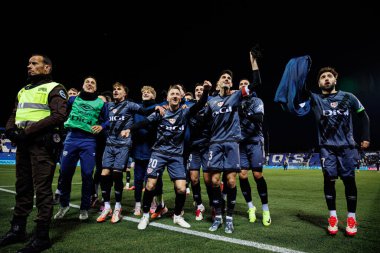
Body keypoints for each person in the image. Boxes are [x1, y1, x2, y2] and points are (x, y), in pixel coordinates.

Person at [275, 57, 370, 236]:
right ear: (319, 83)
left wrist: (365, 137)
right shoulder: (315, 99)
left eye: (329, 76)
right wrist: (300, 69)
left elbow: (363, 116)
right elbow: (300, 88)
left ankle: (351, 217)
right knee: (329, 180)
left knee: (350, 181)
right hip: (326, 147)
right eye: (322, 77)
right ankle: (332, 217)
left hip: (347, 147)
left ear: (335, 79)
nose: (326, 78)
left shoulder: (348, 97)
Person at [0, 54, 68, 252]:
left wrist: (26, 132)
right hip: (23, 145)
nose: (29, 66)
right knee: (22, 187)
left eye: (34, 63)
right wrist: (11, 130)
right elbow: (14, 113)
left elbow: (59, 115)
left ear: (47, 68)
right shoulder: (23, 90)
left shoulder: (55, 88)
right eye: (28, 63)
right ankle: (17, 229)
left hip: (41, 146)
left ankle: (42, 236)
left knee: (42, 190)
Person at [123, 82, 211, 230]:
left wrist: (206, 91)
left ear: (180, 97)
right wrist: (129, 130)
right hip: (159, 153)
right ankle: (145, 216)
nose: (175, 96)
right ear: (168, 98)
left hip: (176, 155)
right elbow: (144, 122)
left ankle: (177, 216)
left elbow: (200, 104)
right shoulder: (160, 112)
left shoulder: (185, 112)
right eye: (172, 94)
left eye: (177, 94)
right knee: (150, 185)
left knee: (182, 189)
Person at [204, 67, 258, 233]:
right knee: (214, 181)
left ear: (232, 83)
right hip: (215, 143)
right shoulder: (211, 101)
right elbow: (204, 123)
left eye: (229, 78)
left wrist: (253, 63)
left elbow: (256, 83)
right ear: (218, 82)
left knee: (232, 181)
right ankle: (218, 216)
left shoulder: (236, 95)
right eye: (223, 77)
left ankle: (229, 219)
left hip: (232, 142)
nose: (226, 79)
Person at [54, 76, 108, 221]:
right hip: (71, 138)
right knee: (65, 173)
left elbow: (108, 120)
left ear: (96, 88)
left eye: (93, 83)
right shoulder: (72, 100)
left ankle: (84, 208)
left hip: (89, 140)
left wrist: (102, 126)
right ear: (82, 86)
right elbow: (61, 113)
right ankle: (64, 205)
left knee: (87, 174)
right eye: (87, 82)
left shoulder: (101, 103)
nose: (90, 84)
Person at [237, 51, 271, 226]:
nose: (243, 86)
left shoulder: (257, 101)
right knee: (242, 176)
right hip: (241, 144)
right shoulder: (235, 101)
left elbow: (259, 118)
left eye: (245, 84)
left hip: (255, 141)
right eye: (240, 84)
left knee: (257, 175)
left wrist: (244, 112)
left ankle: (265, 209)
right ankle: (251, 207)